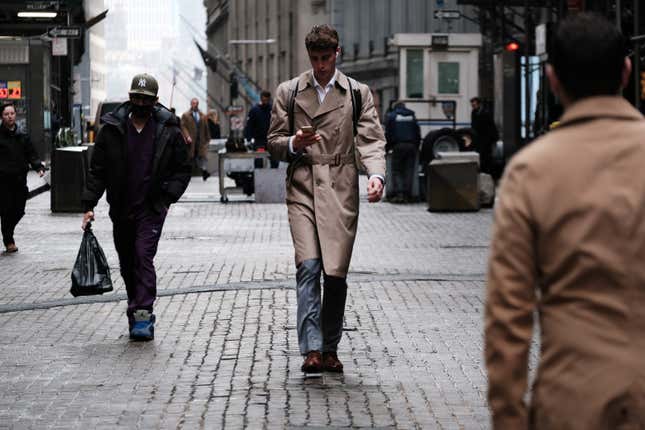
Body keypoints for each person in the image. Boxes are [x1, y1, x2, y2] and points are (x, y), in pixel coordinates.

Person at [485, 13, 645, 428]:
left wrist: (508, 416)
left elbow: (508, 315)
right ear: (626, 72)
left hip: (573, 400)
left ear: (553, 79)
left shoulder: (530, 172)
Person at [268, 24, 385, 374]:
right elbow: (273, 140)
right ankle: (312, 350)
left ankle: (330, 347)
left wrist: (376, 175)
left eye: (325, 58)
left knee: (335, 273)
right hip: (303, 184)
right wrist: (292, 144)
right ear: (309, 56)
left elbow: (372, 139)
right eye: (314, 59)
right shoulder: (289, 92)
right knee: (308, 268)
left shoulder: (357, 93)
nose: (320, 66)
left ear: (337, 54)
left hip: (341, 186)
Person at [81, 73, 191, 341]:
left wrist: (166, 197)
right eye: (136, 97)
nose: (140, 102)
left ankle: (143, 313)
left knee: (143, 256)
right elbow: (98, 170)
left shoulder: (169, 130)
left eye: (146, 99)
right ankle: (135, 305)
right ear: (130, 98)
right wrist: (88, 205)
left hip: (151, 208)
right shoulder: (112, 129)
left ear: (155, 102)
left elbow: (183, 168)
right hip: (121, 207)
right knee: (128, 261)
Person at [0, 103, 45, 254]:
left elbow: (31, 154)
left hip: (20, 180)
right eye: (6, 114)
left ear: (15, 115)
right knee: (6, 210)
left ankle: (8, 231)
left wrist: (38, 167)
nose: (10, 116)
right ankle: (8, 240)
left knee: (19, 210)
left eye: (12, 113)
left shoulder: (22, 136)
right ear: (2, 116)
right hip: (3, 181)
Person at [384, 102, 420, 203]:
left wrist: (387, 148)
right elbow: (417, 132)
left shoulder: (392, 116)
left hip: (398, 146)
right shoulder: (412, 116)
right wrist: (416, 146)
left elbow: (388, 133)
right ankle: (408, 195)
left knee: (397, 171)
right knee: (409, 170)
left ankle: (400, 194)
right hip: (411, 146)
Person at [245, 90, 278, 168]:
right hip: (260, 141)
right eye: (264, 100)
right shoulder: (255, 110)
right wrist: (248, 138)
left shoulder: (273, 110)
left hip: (271, 140)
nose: (265, 102)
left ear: (269, 99)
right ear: (261, 99)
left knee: (275, 160)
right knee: (259, 159)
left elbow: (278, 123)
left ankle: (274, 177)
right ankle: (258, 177)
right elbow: (249, 125)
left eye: (267, 100)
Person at [181, 98, 211, 181]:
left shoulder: (202, 115)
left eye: (196, 103)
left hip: (200, 140)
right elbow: (183, 127)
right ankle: (187, 174)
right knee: (190, 157)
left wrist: (208, 137)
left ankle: (204, 172)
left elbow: (206, 127)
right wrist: (187, 136)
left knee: (202, 156)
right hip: (191, 140)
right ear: (191, 104)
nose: (195, 105)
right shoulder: (186, 115)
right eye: (193, 103)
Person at [470, 96, 498, 176]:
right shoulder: (474, 112)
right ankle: (483, 171)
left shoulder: (485, 113)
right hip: (479, 137)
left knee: (486, 155)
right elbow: (473, 125)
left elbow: (491, 126)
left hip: (486, 138)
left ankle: (487, 172)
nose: (473, 106)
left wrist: (494, 138)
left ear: (479, 104)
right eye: (472, 105)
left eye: (474, 104)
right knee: (482, 155)